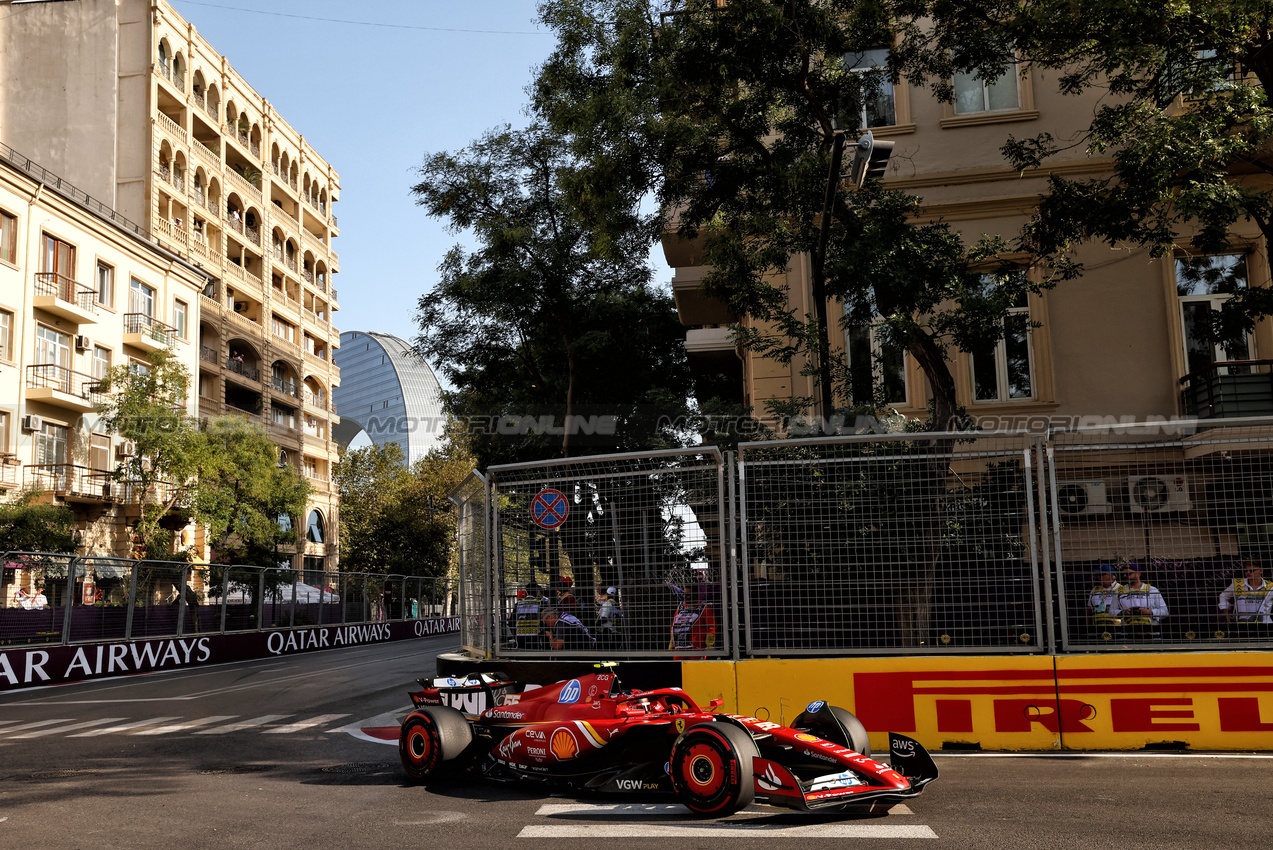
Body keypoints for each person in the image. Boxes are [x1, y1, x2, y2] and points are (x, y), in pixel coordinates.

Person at [1218, 560, 1273, 637]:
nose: (1248, 572)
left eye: (1252, 570)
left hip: (1265, 625)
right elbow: (1223, 595)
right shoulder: (1238, 584)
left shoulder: (1270, 586)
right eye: (1246, 570)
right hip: (1241, 626)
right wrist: (1226, 613)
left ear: (1261, 571)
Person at [1115, 564, 1168, 639]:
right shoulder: (1119, 591)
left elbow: (1165, 612)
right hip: (1128, 635)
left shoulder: (1152, 590)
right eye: (1124, 574)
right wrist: (1123, 613)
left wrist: (1149, 612)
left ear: (1138, 574)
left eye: (1129, 573)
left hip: (1151, 635)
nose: (1125, 576)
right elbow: (1111, 611)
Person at [669, 582, 717, 654]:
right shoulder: (680, 608)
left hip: (697, 649)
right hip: (679, 649)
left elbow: (712, 628)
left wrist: (709, 645)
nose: (684, 596)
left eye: (687, 595)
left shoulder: (704, 608)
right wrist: (672, 643)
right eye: (684, 594)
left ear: (695, 595)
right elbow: (674, 627)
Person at [1087, 564, 1124, 638]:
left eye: (1102, 574)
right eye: (1098, 574)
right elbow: (1089, 610)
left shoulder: (1121, 589)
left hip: (1116, 628)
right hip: (1097, 628)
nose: (1099, 577)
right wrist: (1088, 628)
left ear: (1112, 576)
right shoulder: (1094, 590)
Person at [511, 581, 547, 649]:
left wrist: (516, 634)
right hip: (537, 640)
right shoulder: (541, 604)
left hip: (521, 640)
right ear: (537, 591)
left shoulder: (518, 605)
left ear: (527, 591)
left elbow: (511, 622)